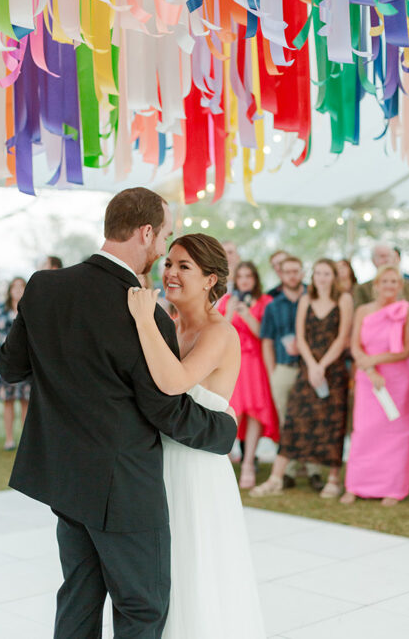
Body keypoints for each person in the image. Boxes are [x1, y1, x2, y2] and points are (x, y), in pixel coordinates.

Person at [0, 188, 239, 637]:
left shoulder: (43, 287)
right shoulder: (144, 313)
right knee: (141, 608)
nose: (162, 253)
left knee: (78, 596)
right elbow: (165, 410)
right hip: (123, 489)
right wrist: (222, 431)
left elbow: (11, 368)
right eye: (163, 237)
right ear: (146, 232)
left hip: (65, 480)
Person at [126, 233, 264, 637]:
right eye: (169, 263)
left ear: (209, 280)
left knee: (194, 566)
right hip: (158, 461)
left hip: (197, 468)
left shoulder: (220, 332)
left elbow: (174, 382)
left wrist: (141, 318)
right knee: (161, 572)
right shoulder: (170, 326)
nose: (170, 272)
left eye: (184, 266)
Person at [251, 259, 354, 499]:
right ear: (313, 275)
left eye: (326, 273)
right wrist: (312, 365)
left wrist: (323, 365)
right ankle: (276, 478)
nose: (322, 277)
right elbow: (301, 337)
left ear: (333, 276)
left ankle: (332, 479)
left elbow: (341, 338)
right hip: (308, 369)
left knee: (333, 423)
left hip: (334, 370)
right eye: (318, 273)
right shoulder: (306, 300)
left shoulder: (344, 299)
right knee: (295, 420)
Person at [342, 267, 409, 506]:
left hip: (397, 378)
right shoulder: (363, 310)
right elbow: (355, 345)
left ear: (400, 286)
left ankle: (393, 488)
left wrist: (374, 361)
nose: (389, 285)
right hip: (368, 377)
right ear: (376, 284)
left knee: (396, 433)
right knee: (364, 431)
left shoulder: (407, 311)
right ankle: (355, 485)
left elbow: (407, 349)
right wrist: (369, 368)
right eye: (385, 281)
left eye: (394, 281)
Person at [259, 256, 321, 490]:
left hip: (310, 368)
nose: (293, 275)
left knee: (312, 418)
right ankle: (289, 471)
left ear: (302, 272)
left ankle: (314, 470)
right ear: (281, 274)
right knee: (287, 421)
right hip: (283, 368)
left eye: (297, 271)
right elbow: (266, 341)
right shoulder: (273, 306)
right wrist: (272, 370)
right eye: (288, 272)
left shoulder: (313, 300)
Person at [216, 262, 278, 489]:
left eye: (248, 276)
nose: (244, 280)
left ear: (255, 279)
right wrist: (232, 310)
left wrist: (248, 314)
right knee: (232, 411)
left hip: (255, 364)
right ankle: (222, 460)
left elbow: (264, 334)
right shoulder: (225, 301)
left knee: (254, 413)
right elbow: (221, 333)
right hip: (234, 363)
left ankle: (249, 462)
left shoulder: (265, 302)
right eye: (240, 276)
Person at [0, 277, 31, 451]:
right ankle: (9, 439)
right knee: (8, 401)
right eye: (15, 286)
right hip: (5, 363)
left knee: (26, 402)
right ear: (10, 290)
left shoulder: (31, 310)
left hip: (27, 365)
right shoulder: (0, 311)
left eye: (22, 286)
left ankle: (25, 442)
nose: (18, 290)